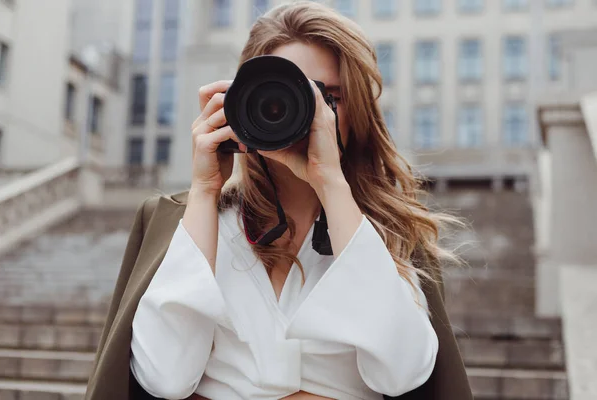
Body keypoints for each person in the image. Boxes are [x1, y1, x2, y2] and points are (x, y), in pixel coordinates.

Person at [85, 2, 472, 400]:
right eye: (281, 95)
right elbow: (163, 377)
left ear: (358, 113)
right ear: (241, 100)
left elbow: (404, 373)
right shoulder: (182, 222)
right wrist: (203, 191)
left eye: (329, 98)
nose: (305, 113)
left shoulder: (391, 231)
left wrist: (331, 184)